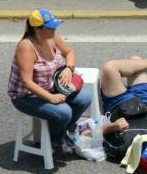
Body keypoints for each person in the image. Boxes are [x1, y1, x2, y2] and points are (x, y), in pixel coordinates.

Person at [9, 9, 92, 152]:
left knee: (85, 97)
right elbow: (27, 82)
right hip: (26, 96)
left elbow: (69, 52)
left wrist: (69, 68)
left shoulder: (52, 36)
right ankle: (54, 138)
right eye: (50, 27)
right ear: (36, 29)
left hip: (50, 87)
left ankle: (59, 133)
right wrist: (51, 97)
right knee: (64, 112)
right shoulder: (26, 47)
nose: (55, 30)